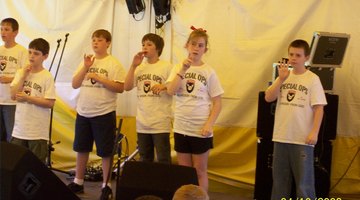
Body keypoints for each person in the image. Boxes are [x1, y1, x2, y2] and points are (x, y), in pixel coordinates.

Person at [264, 39, 327, 199]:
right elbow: (268, 97)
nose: (293, 58)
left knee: (304, 184)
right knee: (279, 183)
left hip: (302, 139)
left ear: (306, 57)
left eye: (298, 55)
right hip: (281, 136)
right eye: (291, 54)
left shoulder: (312, 79)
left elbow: (319, 108)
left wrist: (314, 132)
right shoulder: (284, 76)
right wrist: (281, 79)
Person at [67, 29, 126, 199]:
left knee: (106, 151)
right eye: (93, 40)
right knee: (81, 147)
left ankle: (106, 185)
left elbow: (120, 88)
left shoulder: (113, 63)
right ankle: (78, 181)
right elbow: (75, 84)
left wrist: (99, 78)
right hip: (84, 111)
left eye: (99, 40)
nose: (95, 43)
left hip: (104, 112)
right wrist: (85, 67)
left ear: (108, 43)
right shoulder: (86, 61)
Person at [166, 26, 224, 192]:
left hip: (200, 130)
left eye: (200, 45)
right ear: (187, 45)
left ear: (205, 49)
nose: (196, 48)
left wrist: (209, 124)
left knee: (199, 170)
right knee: (185, 172)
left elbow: (218, 102)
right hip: (181, 127)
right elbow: (170, 91)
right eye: (193, 44)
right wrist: (183, 70)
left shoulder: (209, 71)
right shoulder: (178, 67)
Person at [124, 33, 172, 164]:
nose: (145, 47)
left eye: (149, 44)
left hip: (160, 122)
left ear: (158, 49)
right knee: (145, 159)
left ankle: (164, 185)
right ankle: (146, 185)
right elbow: (127, 87)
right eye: (143, 44)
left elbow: (175, 87)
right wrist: (133, 66)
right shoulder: (139, 67)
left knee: (163, 159)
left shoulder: (167, 66)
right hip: (142, 122)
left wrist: (163, 86)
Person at [10, 38, 56, 163]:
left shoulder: (47, 76)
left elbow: (50, 103)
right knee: (16, 165)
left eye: (36, 53)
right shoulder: (21, 72)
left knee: (36, 168)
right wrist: (23, 76)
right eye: (30, 52)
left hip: (37, 132)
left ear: (45, 56)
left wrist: (28, 98)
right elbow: (13, 95)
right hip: (19, 130)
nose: (31, 56)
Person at [0, 18, 28, 142]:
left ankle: (9, 161)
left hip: (11, 101)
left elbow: (26, 75)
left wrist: (9, 79)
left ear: (15, 32)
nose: (3, 32)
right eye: (1, 29)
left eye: (6, 29)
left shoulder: (22, 51)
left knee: (11, 135)